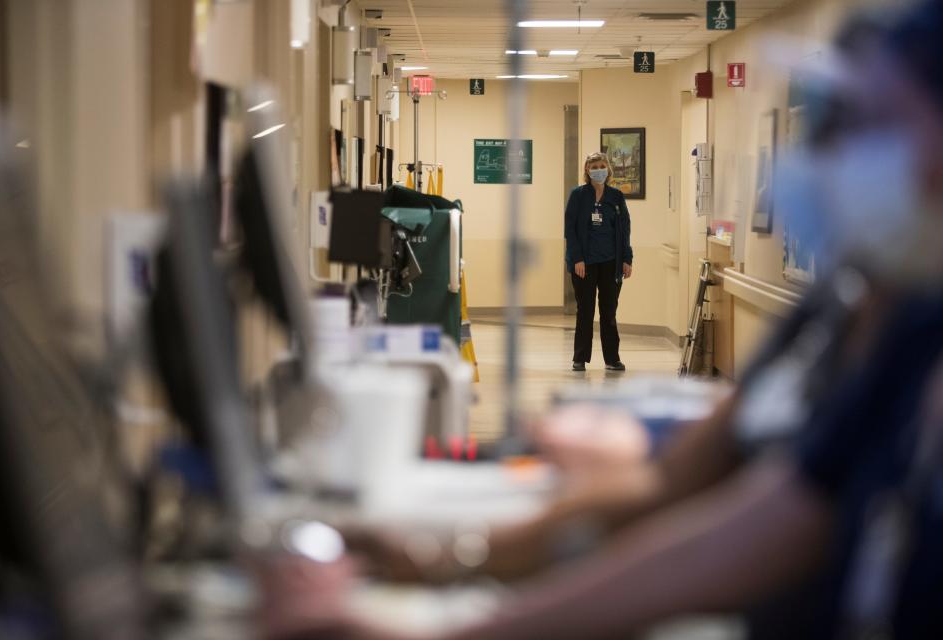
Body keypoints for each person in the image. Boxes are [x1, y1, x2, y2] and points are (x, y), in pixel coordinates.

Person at [258, 3, 943, 638]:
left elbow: (744, 541)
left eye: (875, 123)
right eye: (836, 127)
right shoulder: (849, 310)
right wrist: (447, 554)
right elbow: (673, 486)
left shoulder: (919, 331)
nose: (835, 158)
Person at [564, 152, 633, 372]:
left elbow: (624, 230)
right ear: (587, 170)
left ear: (608, 169)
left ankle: (612, 359)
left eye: (602, 166)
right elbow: (570, 230)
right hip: (584, 264)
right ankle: (579, 358)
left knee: (609, 312)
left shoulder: (616, 197)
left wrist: (627, 259)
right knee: (585, 310)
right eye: (594, 167)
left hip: (611, 263)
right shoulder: (578, 195)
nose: (599, 170)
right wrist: (577, 258)